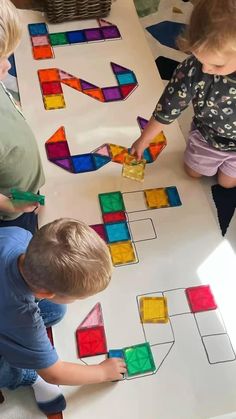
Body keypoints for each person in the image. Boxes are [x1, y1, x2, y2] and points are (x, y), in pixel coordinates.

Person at [0, 218, 126, 415]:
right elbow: (55, 374)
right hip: (8, 314)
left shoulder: (19, 236)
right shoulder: (22, 318)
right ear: (45, 293)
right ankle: (28, 377)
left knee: (56, 311)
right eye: (77, 298)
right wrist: (102, 372)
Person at [131, 0, 236, 189]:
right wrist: (143, 140)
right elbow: (167, 108)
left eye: (217, 65)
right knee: (192, 173)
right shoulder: (192, 70)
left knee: (227, 183)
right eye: (198, 58)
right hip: (207, 136)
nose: (205, 68)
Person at [0, 0, 45, 234]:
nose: (8, 66)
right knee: (23, 237)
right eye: (0, 59)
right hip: (10, 211)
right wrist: (9, 205)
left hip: (22, 188)